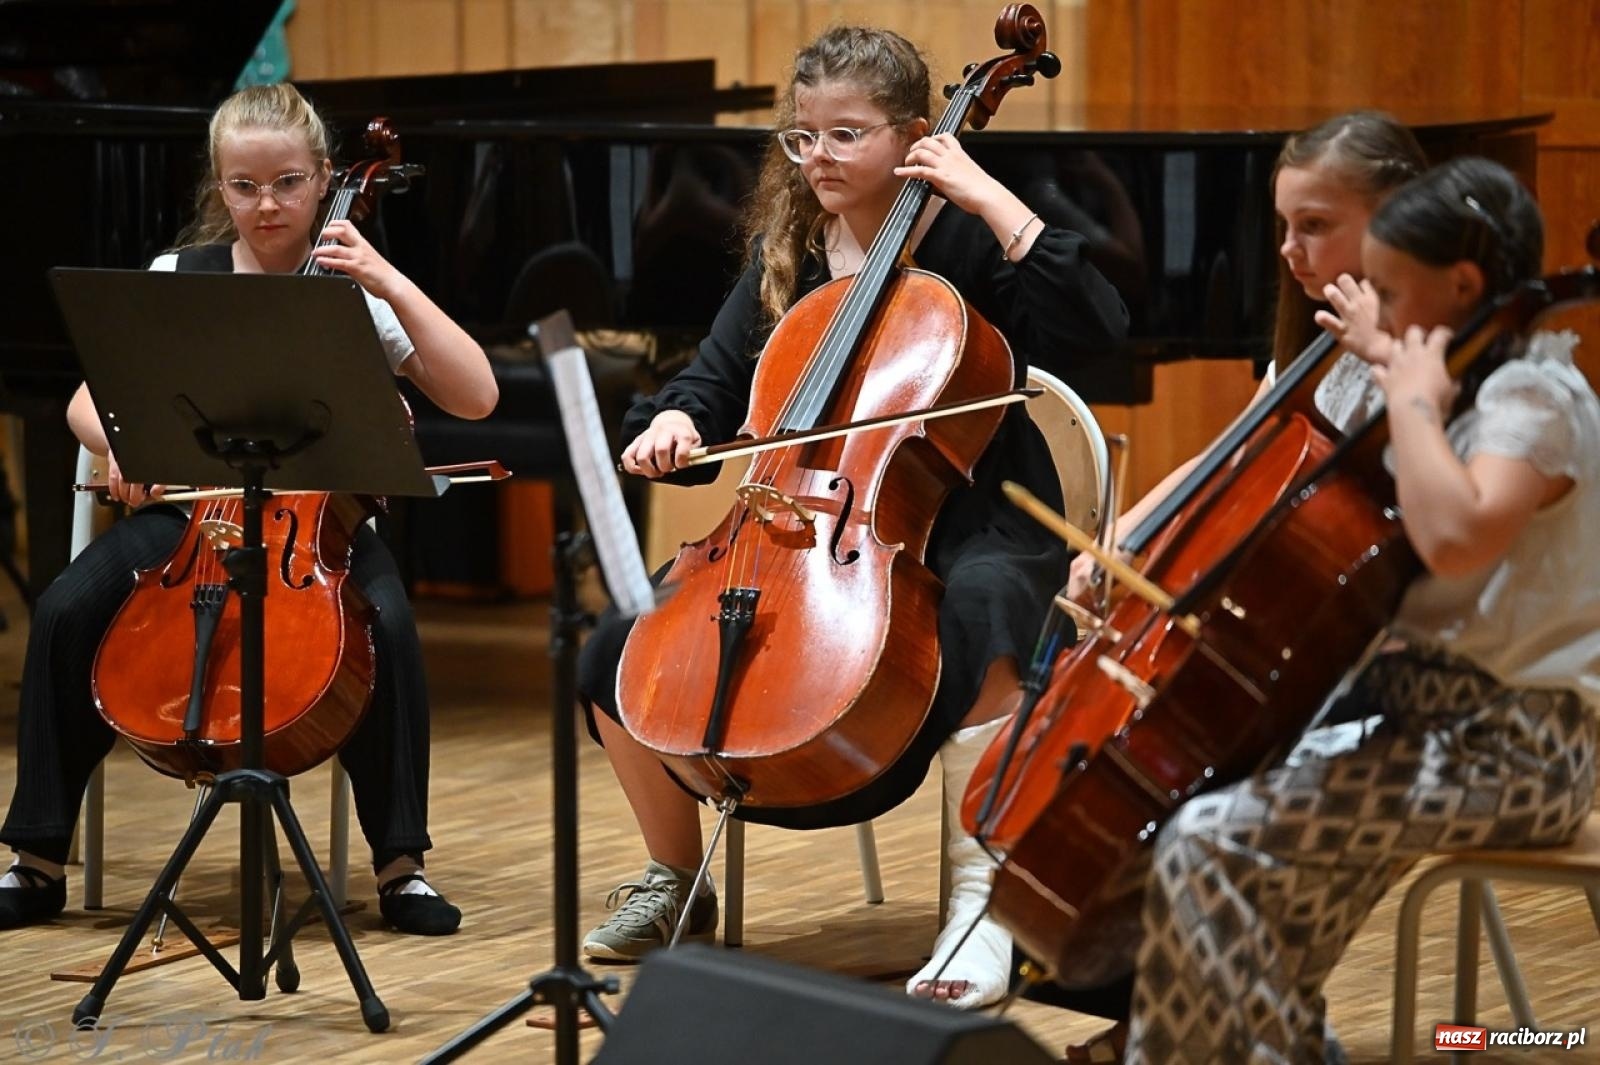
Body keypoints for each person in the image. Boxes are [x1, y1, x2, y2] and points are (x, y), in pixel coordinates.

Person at [574, 25, 1128, 1009]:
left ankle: (982, 906)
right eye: (802, 138)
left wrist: (987, 196)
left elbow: (1098, 326)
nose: (816, 158)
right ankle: (672, 880)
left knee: (991, 606)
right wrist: (669, 419)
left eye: (844, 135)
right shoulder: (787, 253)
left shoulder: (963, 236)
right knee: (618, 644)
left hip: (964, 515)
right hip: (801, 525)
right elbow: (706, 384)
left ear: (915, 135)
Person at [1109, 157, 1599, 1062]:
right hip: (1411, 724)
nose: (1367, 307)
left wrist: (1406, 395)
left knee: (1206, 843)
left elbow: (1457, 538)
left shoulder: (1533, 394)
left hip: (1517, 745)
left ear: (1462, 286)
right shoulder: (1449, 375)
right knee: (1247, 903)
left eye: (1386, 287)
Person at [0, 83, 498, 936]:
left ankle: (401, 865)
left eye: (289, 184)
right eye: (243, 186)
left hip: (318, 530)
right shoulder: (179, 279)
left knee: (389, 622)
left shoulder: (354, 290)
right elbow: (89, 401)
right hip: (189, 522)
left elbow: (478, 394)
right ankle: (36, 854)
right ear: (218, 185)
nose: (266, 205)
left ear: (321, 179)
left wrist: (386, 277)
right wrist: (118, 446)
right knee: (65, 607)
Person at [1066, 111, 1426, 603]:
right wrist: (1123, 538)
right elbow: (1231, 457)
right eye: (1285, 225)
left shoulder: (1425, 352)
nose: (1288, 249)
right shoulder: (1311, 349)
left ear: (1395, 217)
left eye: (1314, 225)